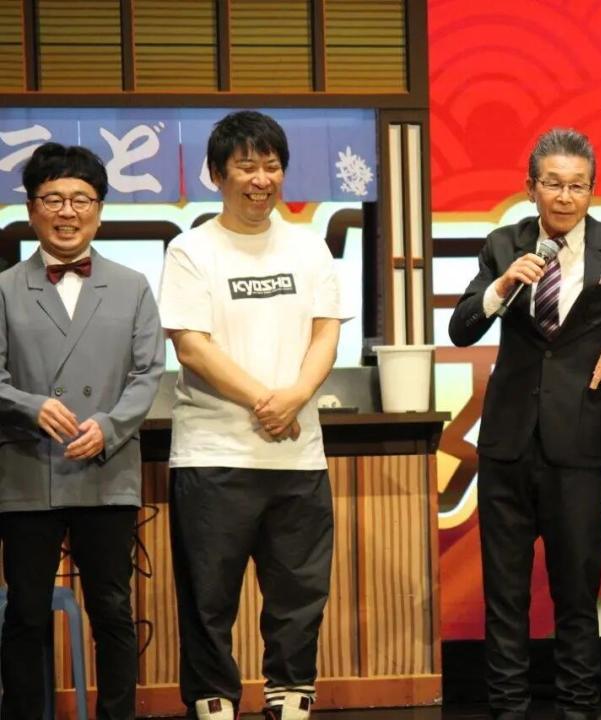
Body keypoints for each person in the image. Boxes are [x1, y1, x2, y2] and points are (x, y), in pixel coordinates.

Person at [448, 128, 601, 720]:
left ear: (591, 190)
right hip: (507, 444)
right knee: (505, 594)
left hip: (579, 443)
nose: (565, 196)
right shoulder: (503, 244)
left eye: (577, 186)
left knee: (576, 593)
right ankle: (508, 709)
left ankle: (578, 709)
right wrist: (502, 287)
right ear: (531, 186)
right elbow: (461, 328)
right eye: (553, 184)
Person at [157, 111, 350, 720]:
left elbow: (326, 333)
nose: (260, 179)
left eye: (271, 166)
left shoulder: (308, 246)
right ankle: (213, 705)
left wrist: (295, 397)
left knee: (299, 597)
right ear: (217, 175)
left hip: (298, 457)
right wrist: (269, 402)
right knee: (208, 601)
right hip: (214, 455)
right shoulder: (191, 250)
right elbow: (191, 346)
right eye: (245, 166)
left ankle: (290, 702)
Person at [0, 142, 165, 720]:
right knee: (25, 612)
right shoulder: (3, 287)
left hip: (105, 466)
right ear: (30, 209)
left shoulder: (132, 284)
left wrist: (109, 425)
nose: (67, 212)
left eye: (80, 199)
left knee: (113, 610)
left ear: (99, 209)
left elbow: (149, 373)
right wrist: (29, 405)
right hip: (27, 469)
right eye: (53, 199)